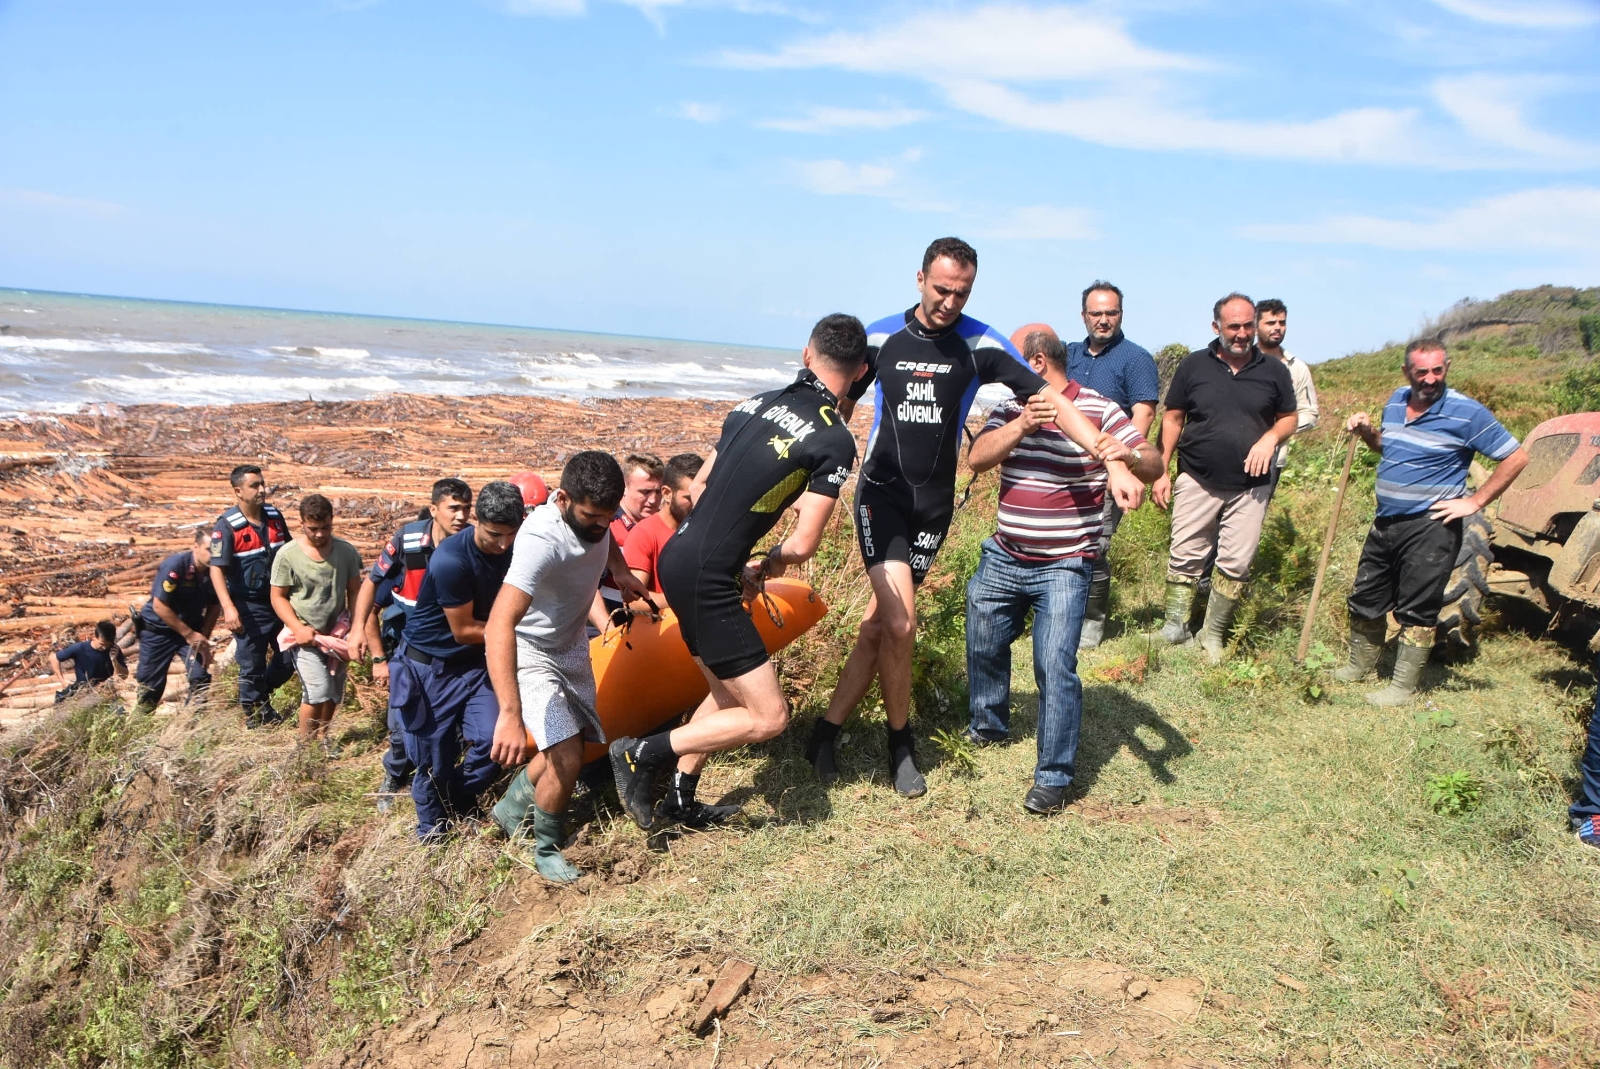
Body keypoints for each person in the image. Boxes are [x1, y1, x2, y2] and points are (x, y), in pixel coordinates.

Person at [812, 237, 1120, 797]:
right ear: (920, 279)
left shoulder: (980, 343)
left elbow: (1053, 400)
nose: (950, 302)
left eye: (962, 292)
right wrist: (814, 467)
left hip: (933, 507)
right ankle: (900, 744)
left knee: (881, 625)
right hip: (881, 496)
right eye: (941, 289)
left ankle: (825, 733)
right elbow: (839, 401)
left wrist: (1103, 449)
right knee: (901, 625)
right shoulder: (880, 337)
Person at [608, 314, 870, 829]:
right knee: (769, 717)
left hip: (679, 560)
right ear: (860, 371)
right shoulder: (834, 439)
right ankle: (640, 752)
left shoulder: (753, 403)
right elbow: (804, 543)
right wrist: (765, 561)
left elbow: (700, 487)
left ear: (807, 354)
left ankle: (680, 797)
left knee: (728, 693)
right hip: (709, 577)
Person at [965, 330, 1163, 813]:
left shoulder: (1099, 408)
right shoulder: (1012, 407)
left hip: (1065, 564)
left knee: (1054, 664)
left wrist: (1127, 456)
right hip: (1005, 555)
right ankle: (989, 724)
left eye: (1010, 359)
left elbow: (1154, 462)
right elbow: (976, 459)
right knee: (984, 640)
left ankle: (1053, 777)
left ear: (1035, 362)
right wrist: (1021, 425)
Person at [483, 453, 652, 882]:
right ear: (562, 499)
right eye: (591, 517)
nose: (601, 525)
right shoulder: (541, 540)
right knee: (568, 753)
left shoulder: (597, 518)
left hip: (572, 643)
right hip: (533, 651)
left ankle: (510, 811)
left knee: (568, 739)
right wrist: (509, 713)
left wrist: (620, 571)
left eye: (609, 516)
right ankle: (546, 848)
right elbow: (499, 623)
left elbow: (604, 537)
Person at [1336, 338, 1527, 705]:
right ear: (1406, 371)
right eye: (1421, 371)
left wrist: (1475, 501)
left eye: (1437, 370)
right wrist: (1368, 432)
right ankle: (1359, 666)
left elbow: (1516, 457)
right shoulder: (1396, 400)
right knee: (1366, 595)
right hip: (1386, 520)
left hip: (1431, 526)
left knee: (1417, 607)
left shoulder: (1467, 413)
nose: (1429, 378)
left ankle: (1401, 688)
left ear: (1447, 368)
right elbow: (1388, 446)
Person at [1152, 294, 1298, 663]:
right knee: (1185, 553)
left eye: (1248, 325)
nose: (1242, 333)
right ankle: (1175, 627)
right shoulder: (1194, 365)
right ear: (1216, 326)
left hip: (1252, 486)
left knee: (1236, 562)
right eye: (1234, 326)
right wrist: (1162, 470)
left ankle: (1212, 634)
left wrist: (1270, 438)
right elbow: (1173, 418)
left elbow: (1289, 418)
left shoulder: (1274, 370)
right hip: (1197, 476)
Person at [387, 481, 525, 841]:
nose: (503, 544)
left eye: (511, 534)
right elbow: (463, 630)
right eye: (495, 535)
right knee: (434, 761)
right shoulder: (452, 560)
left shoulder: (518, 547)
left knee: (495, 741)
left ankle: (460, 796)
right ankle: (434, 835)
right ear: (477, 518)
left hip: (474, 665)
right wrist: (522, 633)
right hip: (429, 669)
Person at [351, 477, 473, 808]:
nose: (461, 516)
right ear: (434, 509)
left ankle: (444, 790)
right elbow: (371, 588)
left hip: (454, 653)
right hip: (409, 652)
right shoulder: (408, 544)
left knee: (452, 731)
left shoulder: (473, 544)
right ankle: (394, 775)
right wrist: (371, 649)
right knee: (401, 728)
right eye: (454, 508)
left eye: (466, 509)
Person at [1062, 281, 1162, 648]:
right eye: (1096, 313)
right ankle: (1061, 613)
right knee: (1064, 542)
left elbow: (1143, 414)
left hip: (1107, 470)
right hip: (1065, 467)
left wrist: (1120, 464)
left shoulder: (1136, 358)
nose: (1103, 320)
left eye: (1111, 313)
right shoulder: (1069, 354)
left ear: (1121, 314)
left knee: (1095, 544)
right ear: (1083, 316)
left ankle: (1091, 622)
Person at [270, 494, 364, 745]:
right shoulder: (288, 555)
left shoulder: (346, 552)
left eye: (326, 527)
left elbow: (355, 592)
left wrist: (357, 629)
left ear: (332, 520)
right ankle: (305, 747)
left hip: (337, 634)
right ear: (301, 523)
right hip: (304, 635)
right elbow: (278, 597)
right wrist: (297, 627)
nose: (320, 534)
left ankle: (323, 738)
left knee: (333, 688)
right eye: (313, 529)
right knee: (317, 689)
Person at [209, 464, 295, 725]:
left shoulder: (274, 517)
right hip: (248, 606)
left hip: (279, 600)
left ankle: (261, 696)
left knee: (289, 656)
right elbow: (216, 569)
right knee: (252, 664)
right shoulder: (226, 526)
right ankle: (256, 717)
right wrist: (228, 607)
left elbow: (291, 553)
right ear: (238, 491)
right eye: (254, 486)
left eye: (262, 484)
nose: (262, 490)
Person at [132, 526, 219, 714]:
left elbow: (214, 607)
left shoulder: (216, 572)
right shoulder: (176, 566)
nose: (213, 555)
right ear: (195, 547)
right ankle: (139, 724)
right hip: (159, 631)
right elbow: (160, 606)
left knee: (200, 677)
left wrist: (203, 639)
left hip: (190, 631)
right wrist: (189, 634)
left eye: (217, 550)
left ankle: (190, 724)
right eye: (209, 549)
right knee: (150, 687)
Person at [1255, 298, 1320, 483]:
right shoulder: (1240, 363)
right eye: (1270, 323)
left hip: (1271, 459)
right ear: (1255, 326)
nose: (1277, 328)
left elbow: (1310, 413)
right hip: (1232, 454)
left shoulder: (1297, 368)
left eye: (1282, 323)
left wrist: (1279, 429)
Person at [596, 453, 665, 620]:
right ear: (624, 488)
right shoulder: (606, 528)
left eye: (658, 492)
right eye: (645, 492)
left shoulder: (666, 523)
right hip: (612, 617)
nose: (653, 500)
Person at [622, 452, 704, 593]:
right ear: (667, 493)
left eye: (703, 497)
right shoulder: (644, 534)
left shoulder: (705, 531)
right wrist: (689, 600)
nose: (697, 504)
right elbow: (634, 599)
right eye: (689, 498)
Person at [52, 620, 127, 702]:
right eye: (102, 644)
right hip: (83, 690)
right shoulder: (81, 648)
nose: (105, 648)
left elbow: (124, 676)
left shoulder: (114, 650)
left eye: (108, 645)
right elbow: (54, 658)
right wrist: (62, 680)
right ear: (94, 637)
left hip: (104, 691)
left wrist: (114, 660)